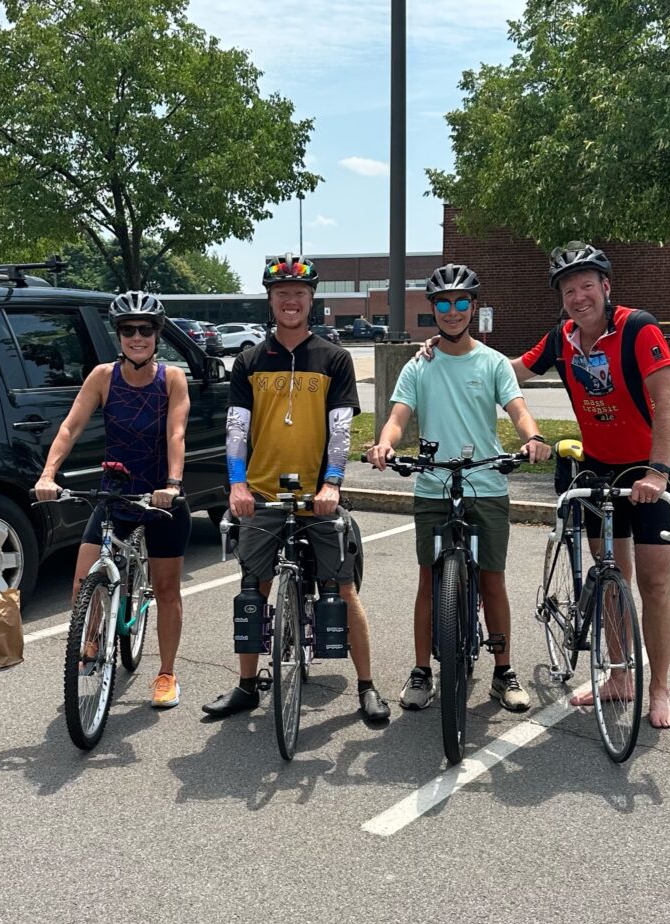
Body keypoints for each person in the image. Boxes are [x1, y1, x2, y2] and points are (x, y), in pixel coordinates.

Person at [202, 254, 390, 722]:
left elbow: (341, 430)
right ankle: (247, 685)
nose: (291, 301)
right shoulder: (248, 361)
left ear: (311, 300)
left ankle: (367, 686)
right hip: (262, 492)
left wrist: (332, 484)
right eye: (281, 293)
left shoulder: (334, 357)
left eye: (299, 294)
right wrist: (237, 485)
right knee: (253, 589)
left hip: (317, 495)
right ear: (270, 300)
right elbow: (236, 431)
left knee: (342, 590)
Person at [367, 263, 552, 713]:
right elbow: (396, 418)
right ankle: (420, 671)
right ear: (433, 309)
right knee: (428, 581)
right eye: (444, 304)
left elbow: (517, 408)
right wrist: (383, 445)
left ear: (473, 307)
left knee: (492, 580)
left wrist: (532, 436)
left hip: (486, 483)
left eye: (461, 302)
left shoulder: (491, 363)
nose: (453, 311)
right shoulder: (420, 364)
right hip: (433, 484)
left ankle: (503, 671)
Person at [512, 241, 670, 728]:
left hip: (648, 470)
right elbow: (509, 371)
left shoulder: (637, 328)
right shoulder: (561, 338)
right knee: (610, 579)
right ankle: (618, 677)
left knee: (654, 582)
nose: (579, 296)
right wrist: (448, 347)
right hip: (598, 468)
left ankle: (660, 689)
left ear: (605, 288)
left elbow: (668, 403)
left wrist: (658, 474)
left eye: (587, 285)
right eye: (569, 289)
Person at [35, 290, 191, 709]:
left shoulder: (171, 378)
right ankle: (91, 641)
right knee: (82, 578)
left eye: (145, 330)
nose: (136, 337)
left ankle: (166, 673)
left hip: (160, 495)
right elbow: (69, 428)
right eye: (128, 330)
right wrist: (48, 474)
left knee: (167, 588)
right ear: (118, 334)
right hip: (116, 490)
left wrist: (173, 485)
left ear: (157, 334)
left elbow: (176, 434)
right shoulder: (103, 377)